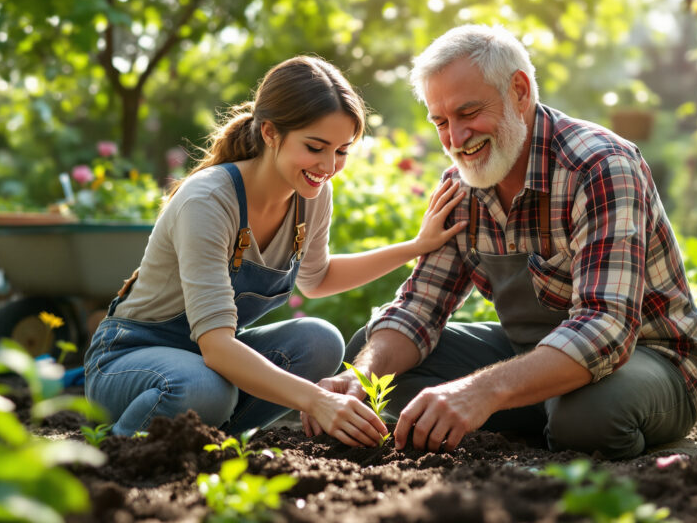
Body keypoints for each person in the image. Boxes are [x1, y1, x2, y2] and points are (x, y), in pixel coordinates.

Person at [304, 25, 697, 460]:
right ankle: (543, 411)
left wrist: (482, 390)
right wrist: (363, 375)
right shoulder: (461, 187)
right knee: (372, 362)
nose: (456, 139)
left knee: (592, 417)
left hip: (646, 357)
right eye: (441, 122)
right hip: (532, 356)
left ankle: (556, 419)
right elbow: (420, 306)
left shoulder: (599, 166)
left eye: (469, 113)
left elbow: (606, 329)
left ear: (519, 91)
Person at [84, 56, 466, 446]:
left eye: (342, 151)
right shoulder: (209, 200)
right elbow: (217, 348)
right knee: (203, 388)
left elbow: (317, 280)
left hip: (204, 363)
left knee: (320, 341)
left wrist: (417, 247)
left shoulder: (311, 195)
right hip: (131, 359)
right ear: (269, 132)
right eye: (315, 147)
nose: (328, 165)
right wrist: (318, 402)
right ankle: (120, 446)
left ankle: (206, 437)